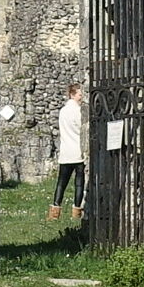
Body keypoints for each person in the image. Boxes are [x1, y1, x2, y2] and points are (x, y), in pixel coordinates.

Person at [51, 79, 90, 218]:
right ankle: (76, 211)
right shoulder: (78, 111)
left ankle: (55, 210)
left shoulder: (63, 111)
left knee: (61, 182)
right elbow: (82, 128)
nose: (81, 97)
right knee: (79, 183)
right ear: (72, 95)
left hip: (66, 151)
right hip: (77, 152)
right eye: (80, 94)